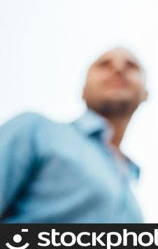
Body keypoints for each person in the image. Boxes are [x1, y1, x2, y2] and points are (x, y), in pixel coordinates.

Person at [0, 46, 148, 222]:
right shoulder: (36, 130)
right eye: (104, 64)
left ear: (145, 94)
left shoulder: (132, 200)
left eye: (131, 66)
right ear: (83, 91)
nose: (118, 68)